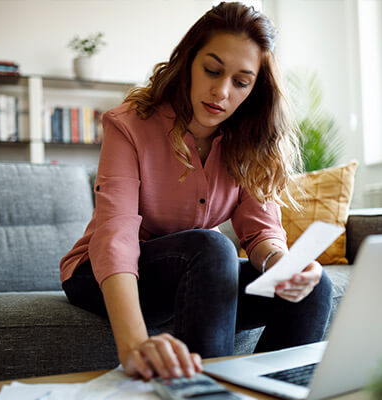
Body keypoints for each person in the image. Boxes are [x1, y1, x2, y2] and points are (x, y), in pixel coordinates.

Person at [60, 1, 332, 382]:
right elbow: (115, 236)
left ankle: (269, 392)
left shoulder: (251, 142)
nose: (221, 91)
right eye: (212, 70)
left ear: (254, 89)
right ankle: (205, 394)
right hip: (103, 274)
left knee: (315, 289)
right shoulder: (129, 125)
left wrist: (280, 268)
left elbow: (260, 232)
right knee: (211, 246)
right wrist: (135, 344)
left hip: (200, 276)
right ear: (189, 61)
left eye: (240, 82)